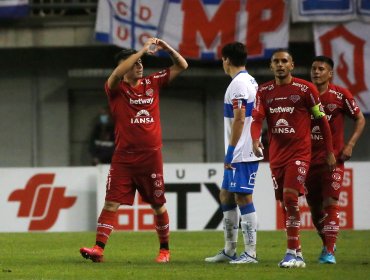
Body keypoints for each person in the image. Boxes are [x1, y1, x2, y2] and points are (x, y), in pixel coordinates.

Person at [80, 37, 188, 263]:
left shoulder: (153, 83)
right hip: (123, 159)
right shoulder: (115, 88)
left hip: (150, 157)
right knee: (111, 203)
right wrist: (141, 50)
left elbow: (182, 65)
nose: (139, 65)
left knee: (158, 205)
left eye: (141, 63)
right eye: (134, 63)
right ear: (124, 66)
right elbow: (118, 72)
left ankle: (165, 251)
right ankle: (98, 249)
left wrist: (165, 47)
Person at [250, 49, 336, 268]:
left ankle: (291, 253)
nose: (280, 65)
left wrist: (329, 151)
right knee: (283, 202)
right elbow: (257, 119)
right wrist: (255, 140)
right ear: (271, 66)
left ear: (292, 65)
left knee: (290, 198)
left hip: (299, 154)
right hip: (276, 157)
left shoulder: (306, 89)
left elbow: (322, 121)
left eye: (284, 61)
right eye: (276, 61)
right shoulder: (264, 91)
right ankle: (297, 251)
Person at [205, 42, 263, 264]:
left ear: (226, 60)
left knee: (242, 197)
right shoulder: (248, 80)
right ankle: (230, 249)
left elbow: (240, 118)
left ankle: (250, 253)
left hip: (242, 152)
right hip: (240, 150)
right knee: (226, 195)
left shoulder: (238, 84)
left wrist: (230, 151)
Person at [305, 56, 365, 264]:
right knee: (314, 210)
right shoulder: (304, 94)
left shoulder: (340, 94)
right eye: (314, 68)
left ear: (330, 73)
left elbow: (360, 118)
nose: (316, 72)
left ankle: (329, 252)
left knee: (331, 204)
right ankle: (327, 243)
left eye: (321, 69)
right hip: (307, 160)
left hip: (333, 159)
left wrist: (350, 145)